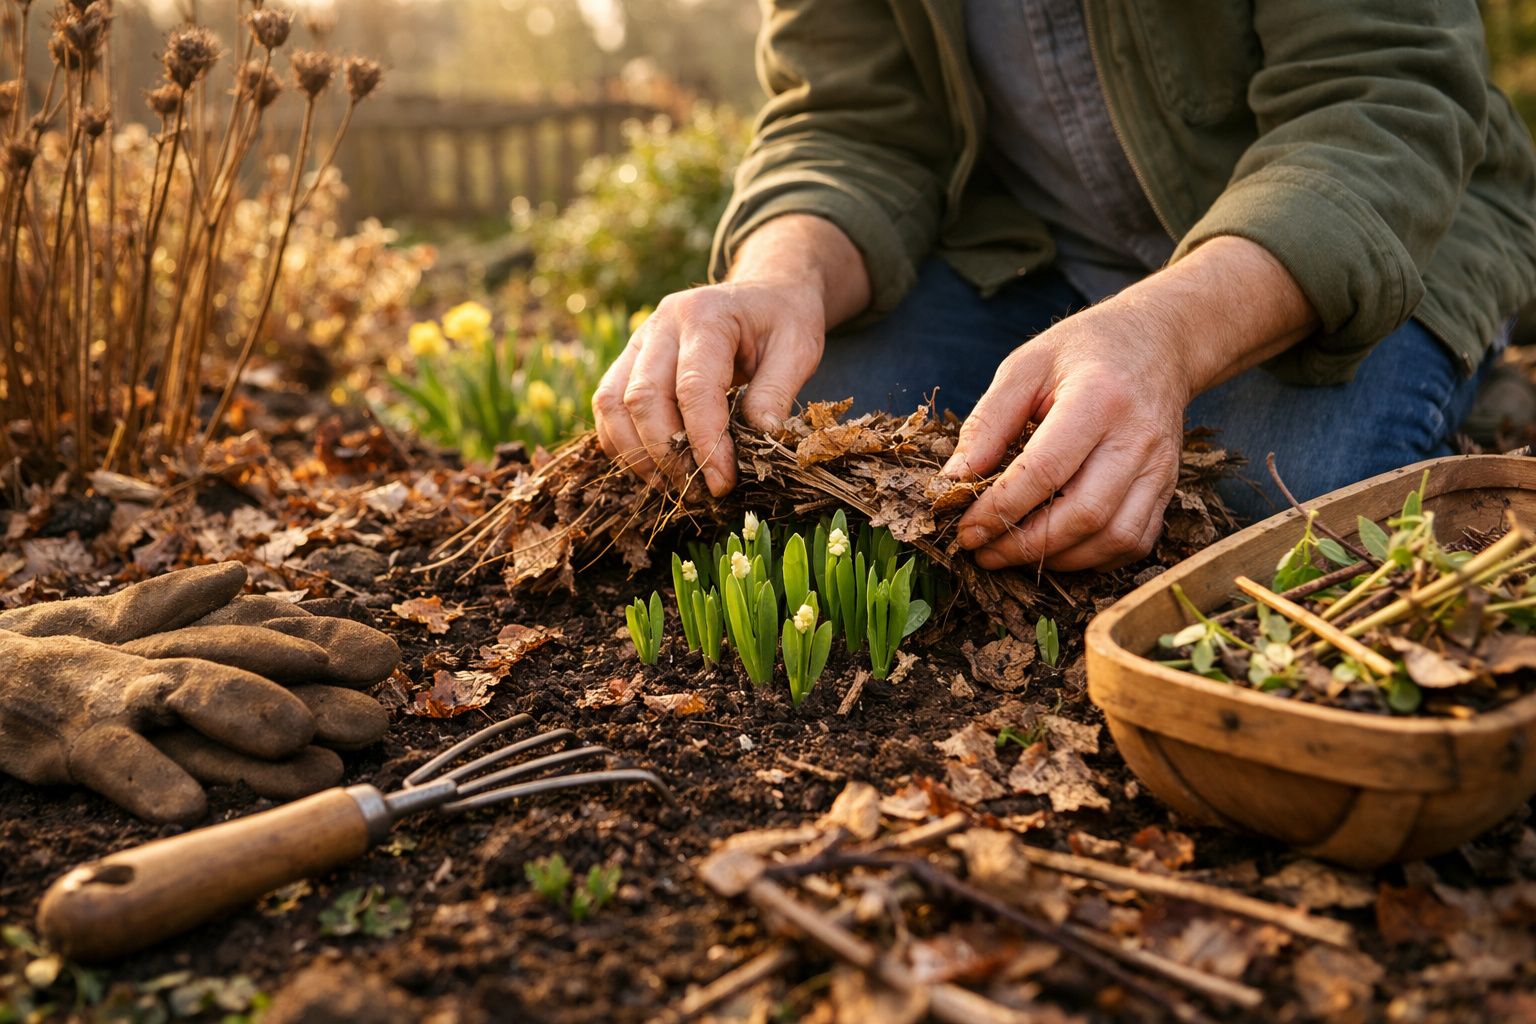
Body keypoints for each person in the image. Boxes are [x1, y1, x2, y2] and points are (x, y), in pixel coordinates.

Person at [593, 0, 1536, 572]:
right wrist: (778, 277)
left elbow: (1379, 102)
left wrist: (1164, 333)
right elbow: (852, 122)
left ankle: (1464, 369)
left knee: (1249, 516)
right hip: (1030, 256)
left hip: (1358, 232)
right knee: (805, 440)